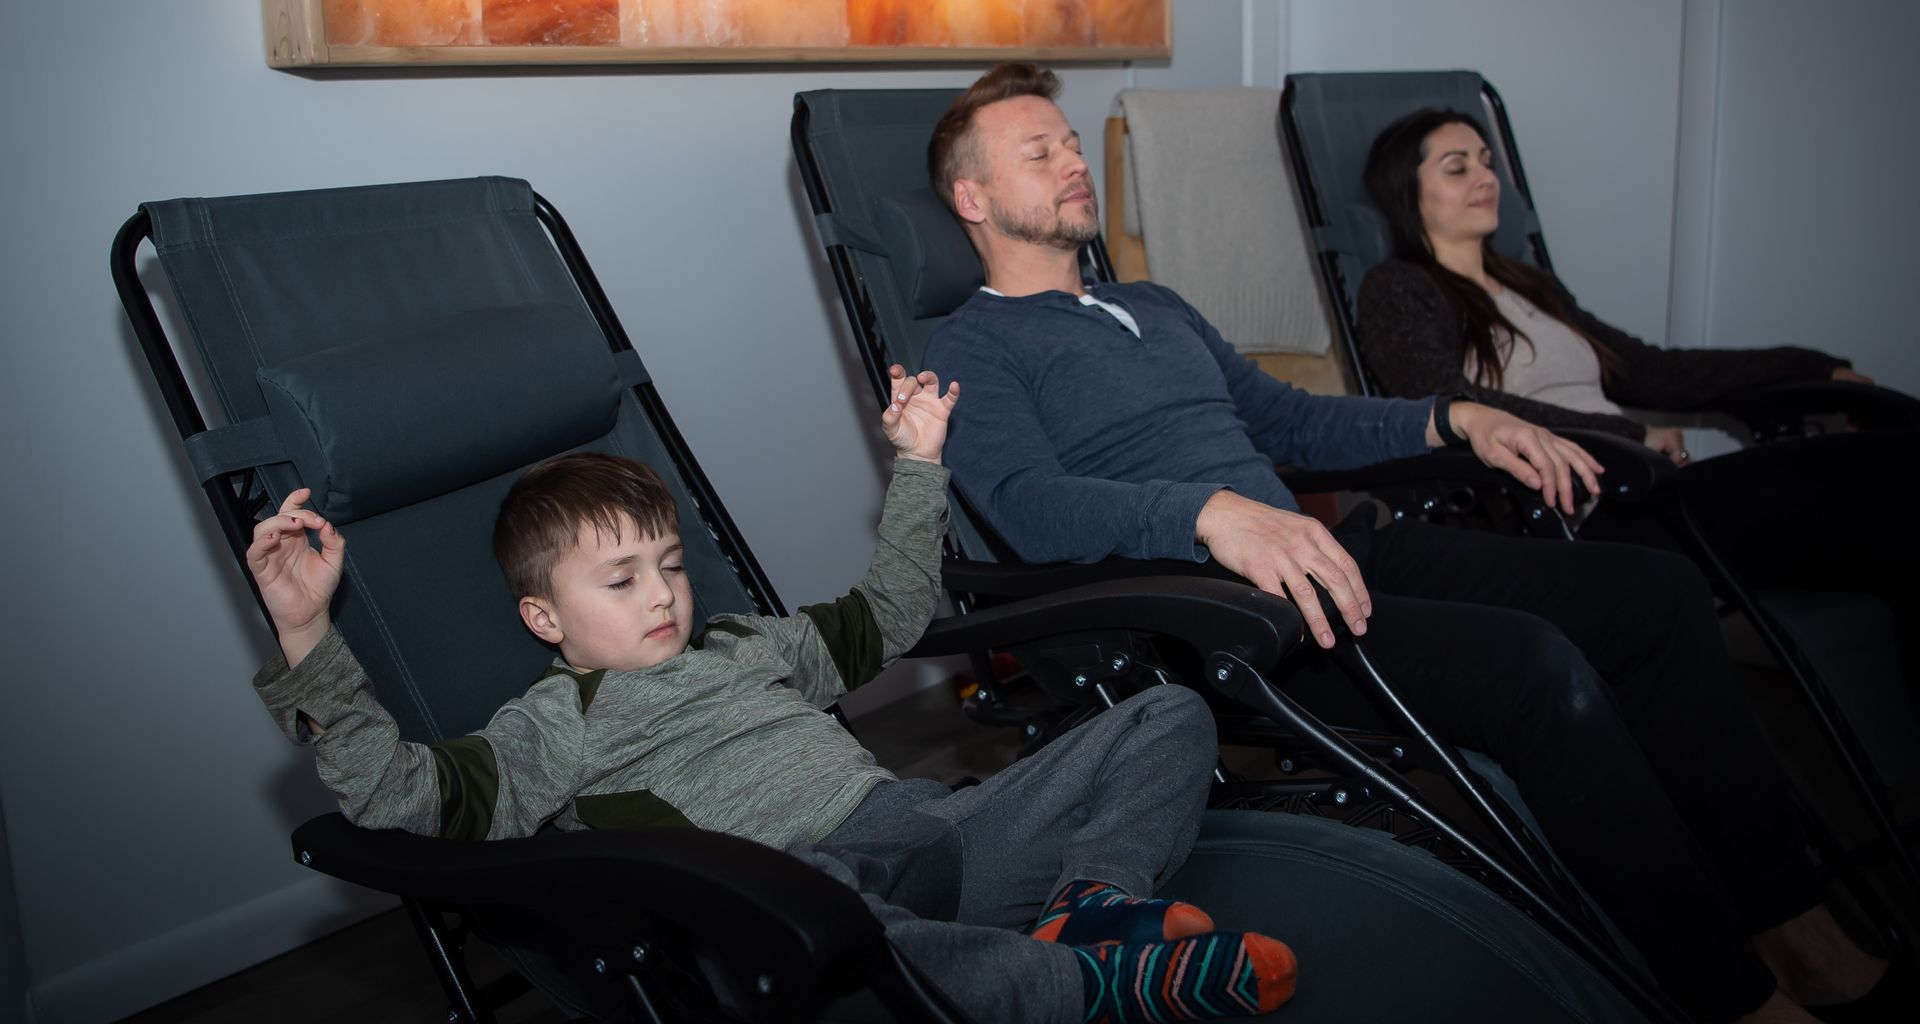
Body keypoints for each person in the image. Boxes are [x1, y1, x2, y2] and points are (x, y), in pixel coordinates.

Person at [921, 62, 1903, 1024]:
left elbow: (1295, 422)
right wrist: (1205, 513)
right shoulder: (969, 346)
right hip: (1225, 614)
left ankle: (1795, 924)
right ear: (972, 196)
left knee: (1655, 596)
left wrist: (1454, 417)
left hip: (1327, 554)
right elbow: (1029, 505)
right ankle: (1730, 992)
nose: (1073, 161)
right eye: (1038, 150)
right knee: (1533, 668)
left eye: (1071, 142)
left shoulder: (1157, 305)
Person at [246, 363, 1296, 1024]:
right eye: (620, 580)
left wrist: (919, 466)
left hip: (932, 828)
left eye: (667, 562)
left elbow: (887, 614)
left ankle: (1094, 904)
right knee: (858, 932)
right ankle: (1081, 991)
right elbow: (397, 792)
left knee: (1166, 710)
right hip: (798, 896)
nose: (660, 592)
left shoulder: (747, 644)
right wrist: (305, 630)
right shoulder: (552, 724)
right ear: (544, 619)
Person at [1353, 106, 1916, 677]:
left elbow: (1653, 369)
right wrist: (1629, 435)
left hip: (1641, 484)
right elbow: (1443, 400)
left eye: (1487, 162)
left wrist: (1815, 371)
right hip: (1588, 511)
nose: (1486, 178)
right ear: (1409, 195)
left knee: (1890, 520)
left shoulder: (1531, 284)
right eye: (1457, 168)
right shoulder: (1398, 290)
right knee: (1886, 470)